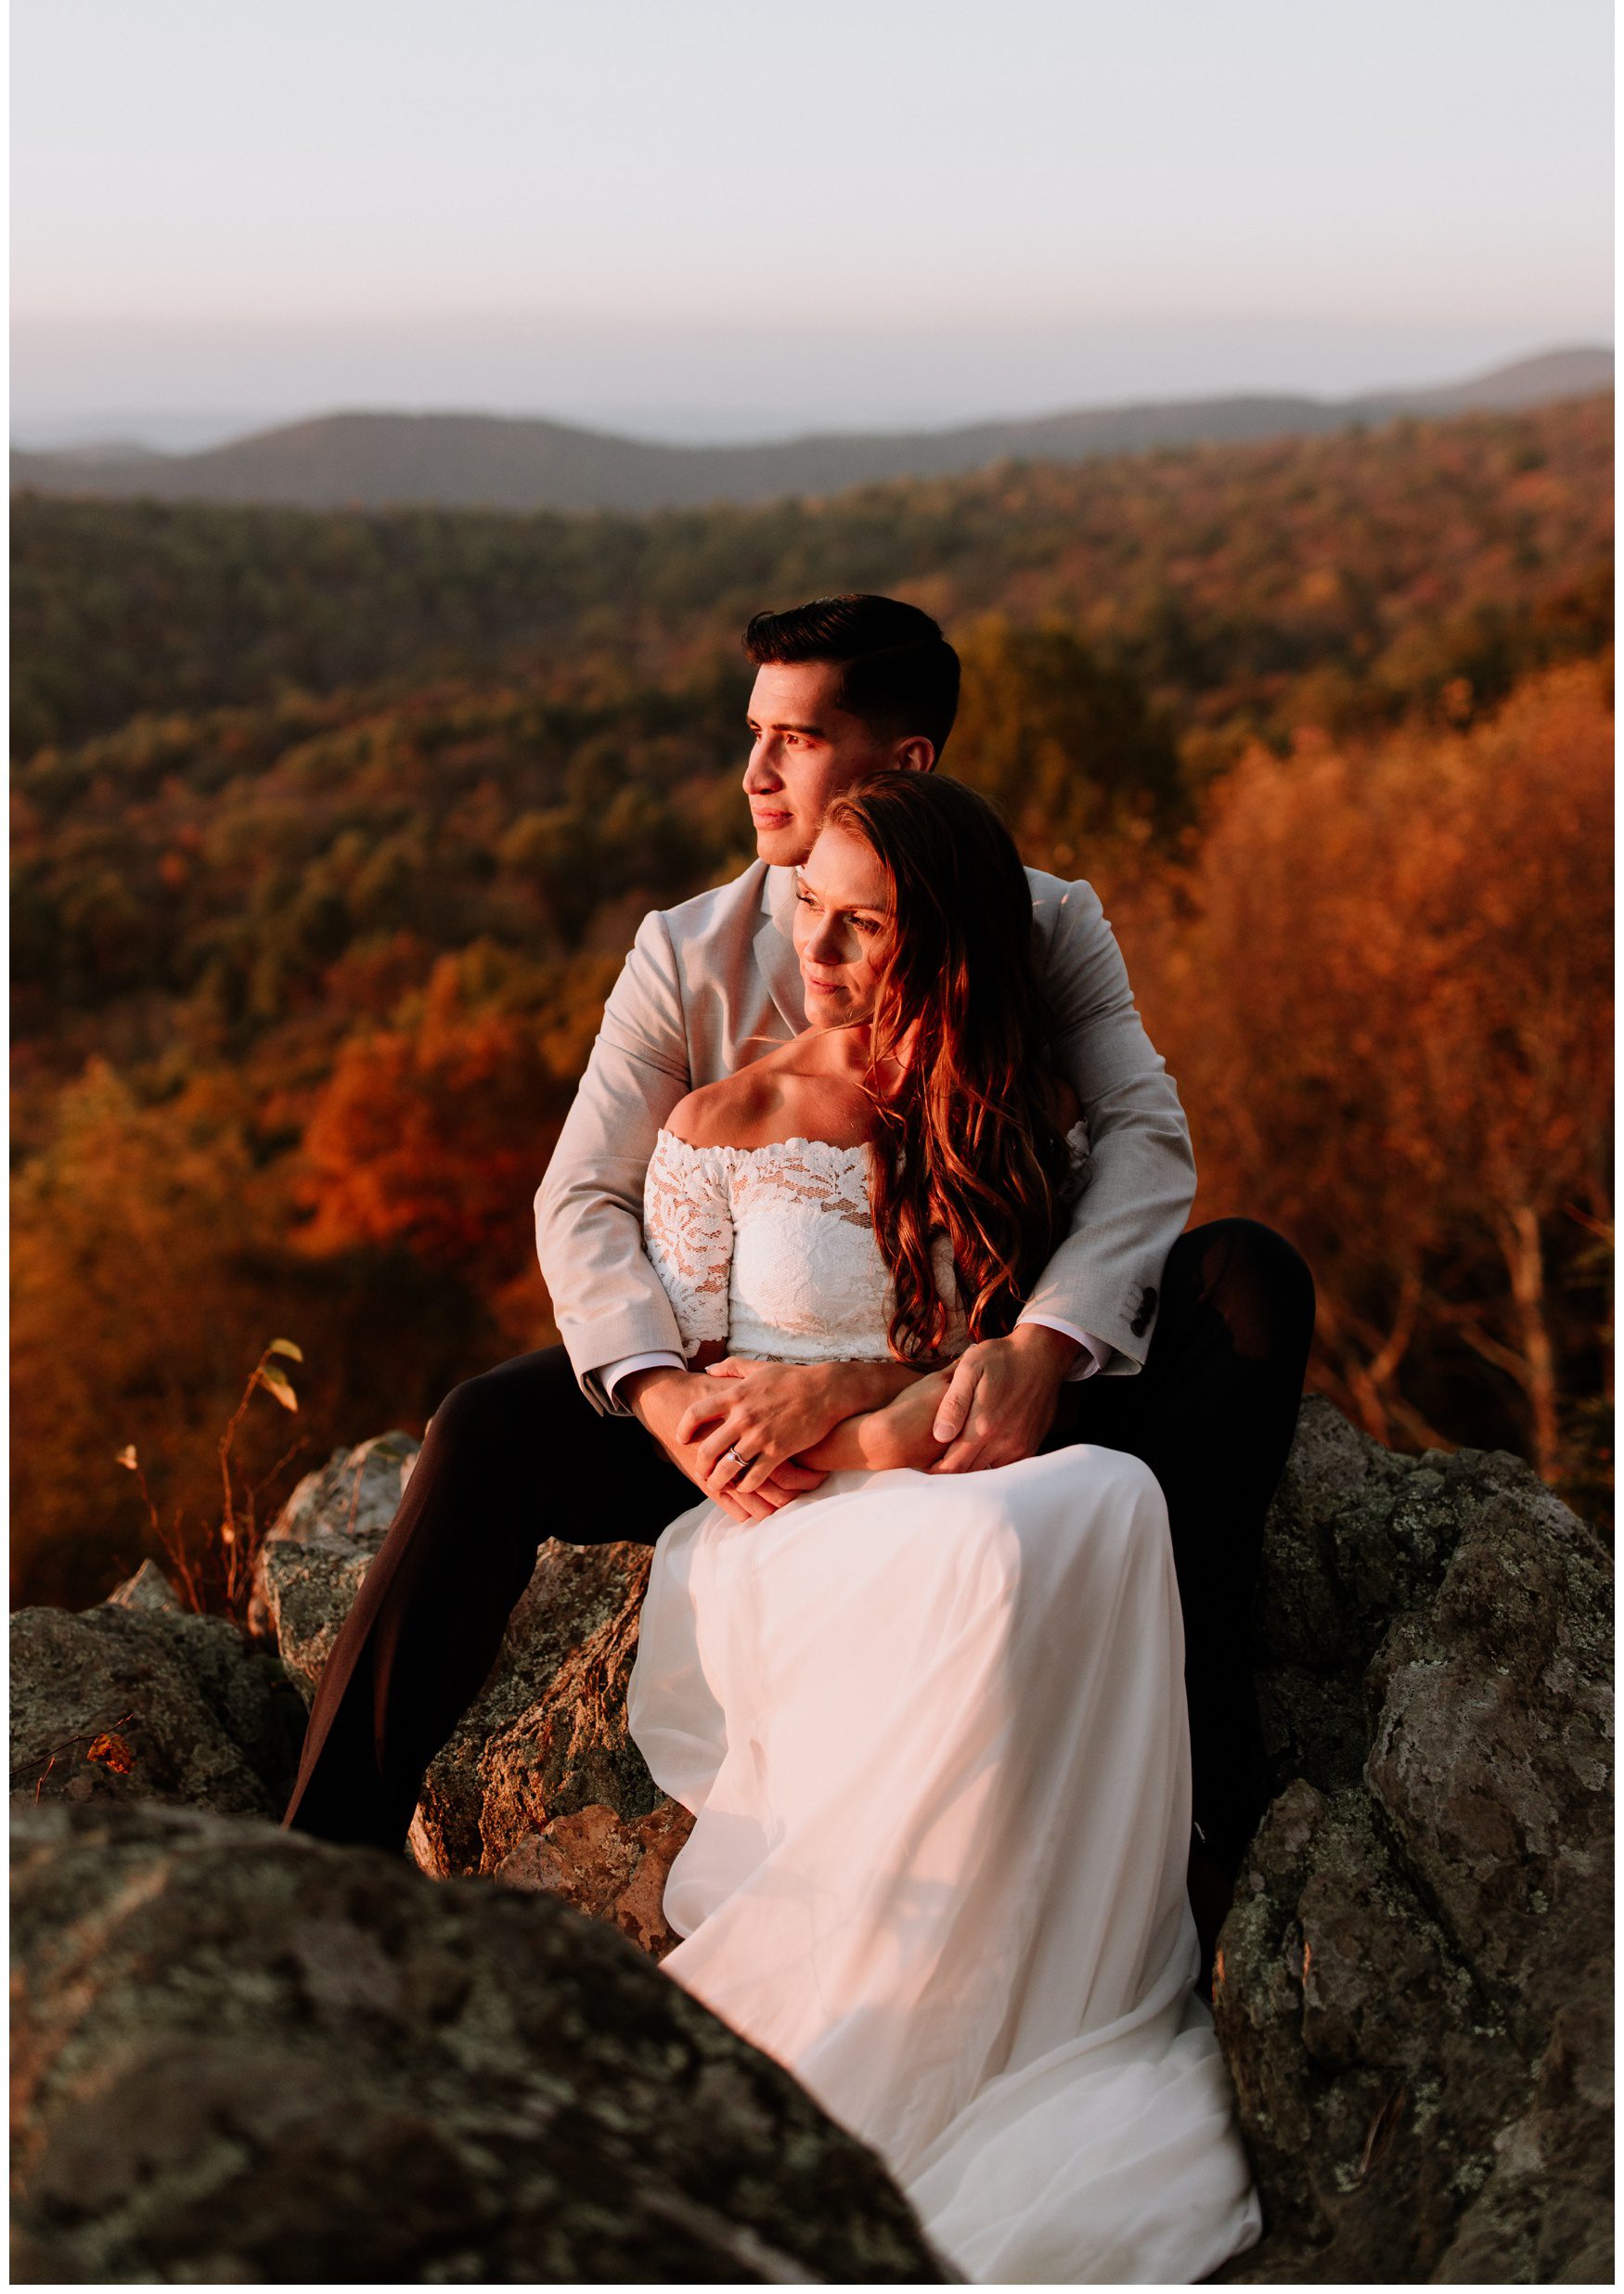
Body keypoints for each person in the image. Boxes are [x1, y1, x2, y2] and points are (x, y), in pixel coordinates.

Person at [280, 595, 1312, 1959]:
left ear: (903, 767)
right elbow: (582, 1194)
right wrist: (659, 1396)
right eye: (751, 734)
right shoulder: (682, 950)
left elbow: (1142, 1135)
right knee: (486, 1425)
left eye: (797, 739)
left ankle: (1198, 1753)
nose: (755, 774)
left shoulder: (1039, 918)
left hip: (991, 1375)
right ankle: (308, 1876)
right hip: (734, 1397)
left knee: (1247, 1279)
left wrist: (1045, 1347)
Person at [624, 768, 1260, 2282]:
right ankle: (902, 2006)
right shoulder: (720, 1126)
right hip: (791, 1525)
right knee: (995, 1544)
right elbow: (711, 1425)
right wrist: (862, 1426)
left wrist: (895, 1381)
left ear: (951, 949)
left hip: (969, 1470)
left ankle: (1071, 1981)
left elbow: (1013, 1323)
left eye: (866, 929)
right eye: (810, 918)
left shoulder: (1000, 1111)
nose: (821, 956)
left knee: (1106, 1494)